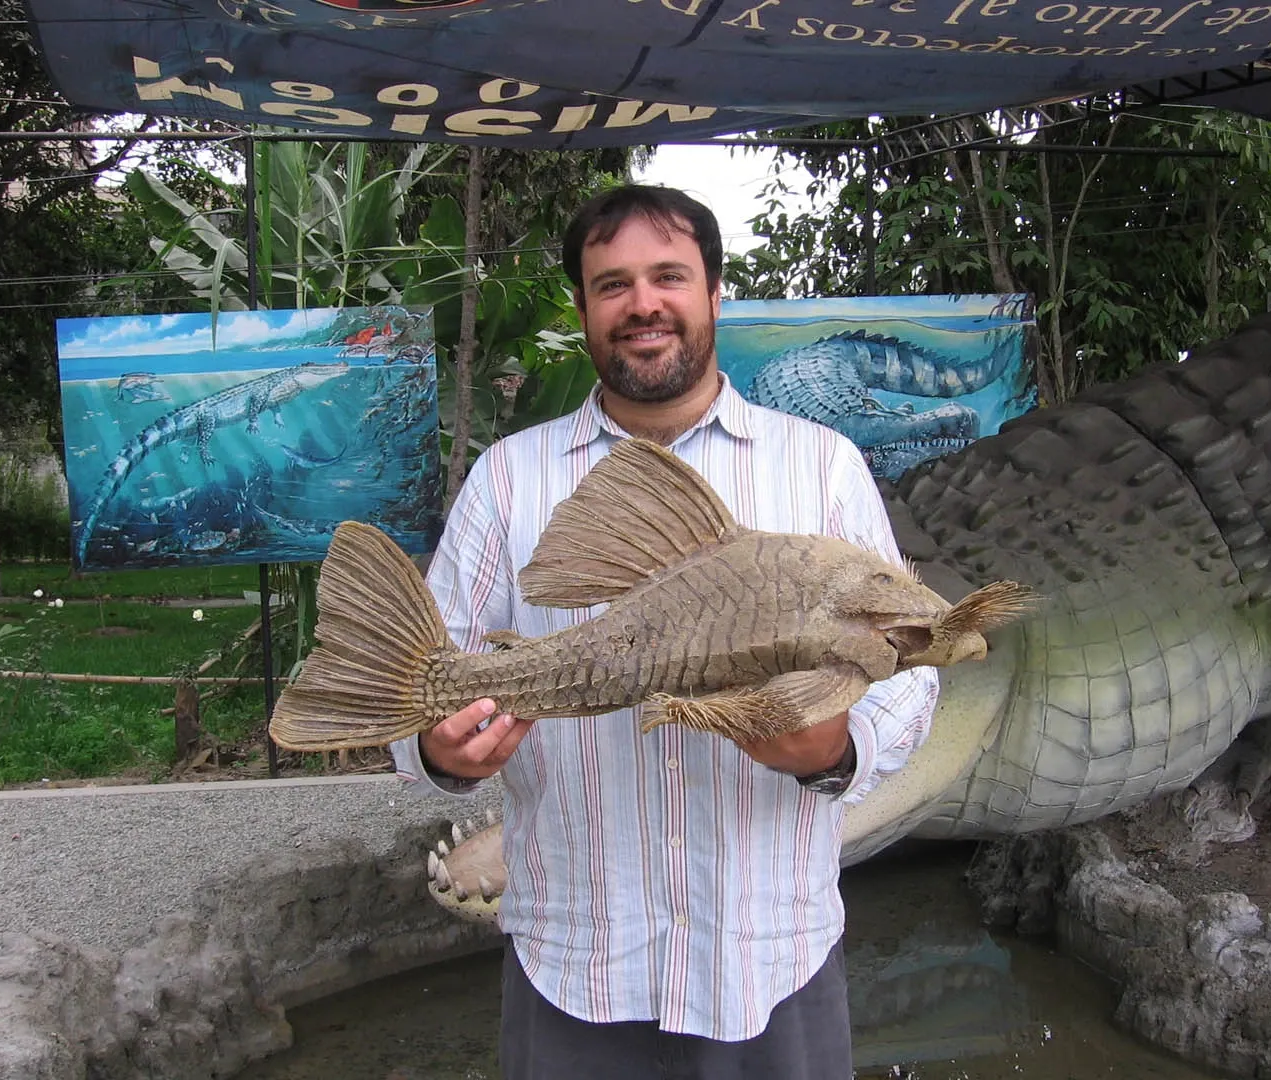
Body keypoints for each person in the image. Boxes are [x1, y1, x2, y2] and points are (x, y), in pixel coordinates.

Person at [391, 184, 939, 1079]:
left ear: (715, 293)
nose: (643, 303)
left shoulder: (821, 468)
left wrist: (836, 748)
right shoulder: (509, 481)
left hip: (770, 955)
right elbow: (418, 686)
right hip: (576, 960)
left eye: (668, 276)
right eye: (613, 285)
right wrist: (438, 747)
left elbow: (912, 670)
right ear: (584, 310)